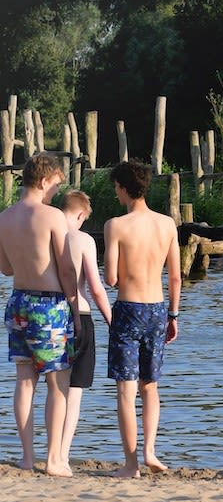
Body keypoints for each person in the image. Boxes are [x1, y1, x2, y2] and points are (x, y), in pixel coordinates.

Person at [0, 153, 79, 475]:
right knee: (57, 382)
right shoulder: (52, 216)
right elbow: (66, 267)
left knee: (24, 382)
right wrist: (75, 304)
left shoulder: (4, 217)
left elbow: (5, 268)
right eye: (56, 186)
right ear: (45, 181)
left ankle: (27, 458)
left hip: (18, 300)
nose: (56, 193)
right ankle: (54, 460)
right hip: (49, 305)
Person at [104, 161, 181, 478]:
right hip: (158, 309)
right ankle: (150, 450)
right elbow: (175, 277)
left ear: (123, 188)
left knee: (126, 390)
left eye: (116, 187)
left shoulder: (116, 225)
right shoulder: (167, 225)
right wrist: (173, 315)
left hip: (128, 309)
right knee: (150, 386)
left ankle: (131, 464)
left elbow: (110, 278)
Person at [60, 190, 113, 468]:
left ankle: (45, 452)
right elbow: (95, 288)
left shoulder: (48, 235)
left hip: (51, 312)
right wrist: (112, 320)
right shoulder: (83, 240)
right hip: (80, 313)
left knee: (54, 387)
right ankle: (63, 455)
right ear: (80, 215)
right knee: (75, 391)